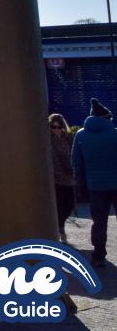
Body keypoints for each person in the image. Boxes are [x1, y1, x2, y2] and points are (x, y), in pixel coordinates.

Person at [73, 98, 117, 266]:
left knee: (99, 222)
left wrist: (81, 184)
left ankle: (98, 255)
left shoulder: (80, 135)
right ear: (107, 118)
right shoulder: (115, 134)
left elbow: (76, 162)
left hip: (94, 186)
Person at [51, 112, 76, 242]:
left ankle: (60, 225)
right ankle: (61, 229)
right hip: (55, 177)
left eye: (59, 127)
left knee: (69, 204)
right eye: (53, 127)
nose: (56, 129)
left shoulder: (68, 138)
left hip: (69, 176)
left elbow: (74, 154)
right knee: (60, 206)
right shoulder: (48, 140)